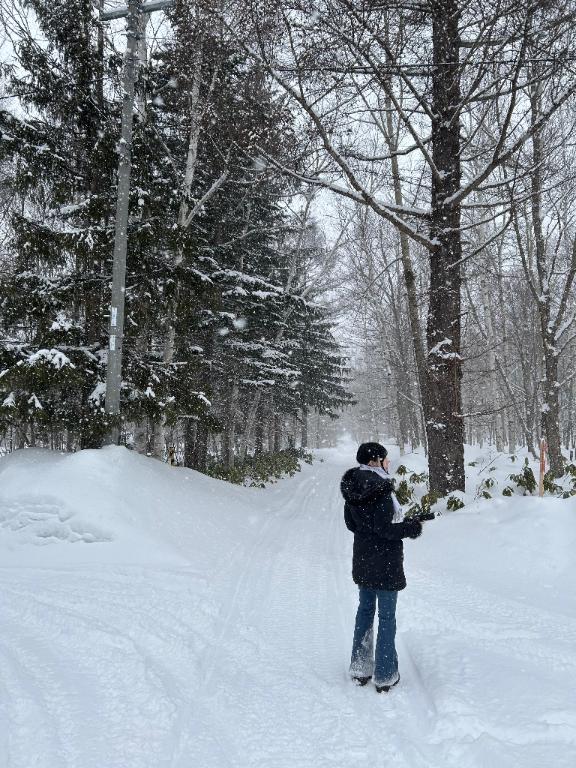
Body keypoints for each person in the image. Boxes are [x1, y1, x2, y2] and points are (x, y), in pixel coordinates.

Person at [340, 442, 422, 693]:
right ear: (375, 461)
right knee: (386, 617)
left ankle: (360, 668)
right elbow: (385, 528)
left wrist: (376, 529)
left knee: (365, 611)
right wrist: (411, 527)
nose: (388, 463)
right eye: (385, 459)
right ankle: (385, 675)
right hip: (385, 562)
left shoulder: (352, 488)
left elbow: (352, 525)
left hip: (364, 560)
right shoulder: (382, 489)